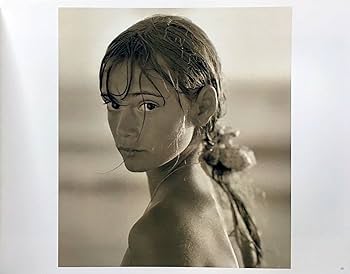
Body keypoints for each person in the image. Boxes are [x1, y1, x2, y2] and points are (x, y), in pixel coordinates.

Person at [99, 14, 262, 267]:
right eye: (114, 103)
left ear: (202, 107)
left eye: (148, 105)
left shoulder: (159, 231)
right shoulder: (225, 199)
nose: (124, 128)